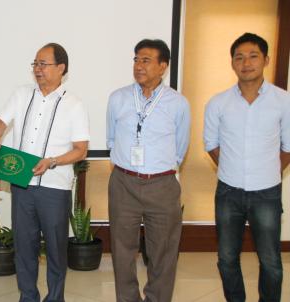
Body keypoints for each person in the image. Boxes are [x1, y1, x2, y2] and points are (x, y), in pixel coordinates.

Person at [0, 43, 90, 302]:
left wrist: (53, 161)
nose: (37, 69)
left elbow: (81, 150)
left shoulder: (74, 104)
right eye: (34, 63)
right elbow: (0, 122)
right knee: (24, 248)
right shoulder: (22, 94)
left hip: (54, 187)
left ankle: (55, 298)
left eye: (43, 64)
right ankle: (28, 297)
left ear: (61, 68)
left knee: (56, 250)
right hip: (22, 184)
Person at [204, 32, 290, 302]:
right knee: (226, 258)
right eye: (239, 57)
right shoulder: (218, 102)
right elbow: (211, 145)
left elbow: (288, 147)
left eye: (253, 56)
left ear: (265, 59)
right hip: (229, 192)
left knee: (271, 262)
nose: (246, 62)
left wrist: (268, 172)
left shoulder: (283, 100)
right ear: (232, 64)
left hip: (267, 192)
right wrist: (233, 168)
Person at [106, 39, 190, 302]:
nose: (139, 66)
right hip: (123, 183)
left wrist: (157, 169)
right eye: (136, 60)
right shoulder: (118, 98)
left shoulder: (178, 103)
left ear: (163, 66)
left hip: (162, 185)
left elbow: (180, 147)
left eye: (146, 60)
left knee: (163, 252)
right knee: (122, 250)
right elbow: (111, 140)